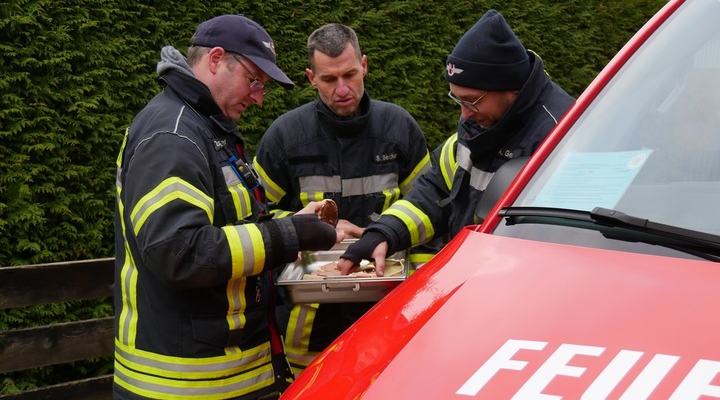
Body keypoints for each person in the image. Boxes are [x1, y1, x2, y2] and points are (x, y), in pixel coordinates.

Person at [113, 14, 343, 400]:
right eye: (254, 80)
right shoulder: (172, 135)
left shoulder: (204, 128)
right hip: (183, 386)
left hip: (223, 376)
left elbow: (230, 224)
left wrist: (297, 221)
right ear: (216, 59)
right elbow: (178, 252)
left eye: (263, 87)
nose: (258, 97)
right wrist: (289, 235)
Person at [252, 23, 434, 375]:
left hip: (387, 313)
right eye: (329, 79)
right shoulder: (286, 137)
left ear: (364, 65)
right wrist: (310, 227)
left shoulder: (398, 128)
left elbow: (430, 209)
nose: (342, 89)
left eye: (350, 74)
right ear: (310, 77)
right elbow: (254, 218)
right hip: (306, 331)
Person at [337, 9, 576, 275]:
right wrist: (385, 232)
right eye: (457, 99)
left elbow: (558, 247)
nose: (464, 114)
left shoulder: (562, 137)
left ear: (512, 89)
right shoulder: (479, 123)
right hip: (471, 284)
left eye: (471, 101)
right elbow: (436, 190)